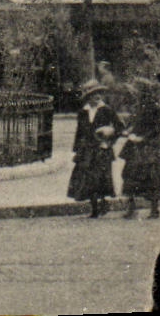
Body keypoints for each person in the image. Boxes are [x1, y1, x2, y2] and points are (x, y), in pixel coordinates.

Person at [118, 77, 160, 219]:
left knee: (151, 176)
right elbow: (134, 124)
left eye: (135, 90)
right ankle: (132, 208)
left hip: (150, 144)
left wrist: (143, 137)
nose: (133, 92)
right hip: (135, 143)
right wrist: (129, 131)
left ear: (142, 91)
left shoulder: (152, 106)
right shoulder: (137, 106)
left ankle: (154, 209)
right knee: (129, 174)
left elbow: (158, 127)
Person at [68, 78, 121, 217]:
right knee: (88, 178)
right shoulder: (83, 112)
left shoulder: (106, 110)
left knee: (101, 177)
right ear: (88, 97)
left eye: (99, 94)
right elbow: (79, 131)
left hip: (101, 148)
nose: (97, 97)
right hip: (86, 149)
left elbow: (119, 127)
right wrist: (76, 149)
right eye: (93, 94)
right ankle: (94, 208)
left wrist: (110, 138)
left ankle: (103, 202)